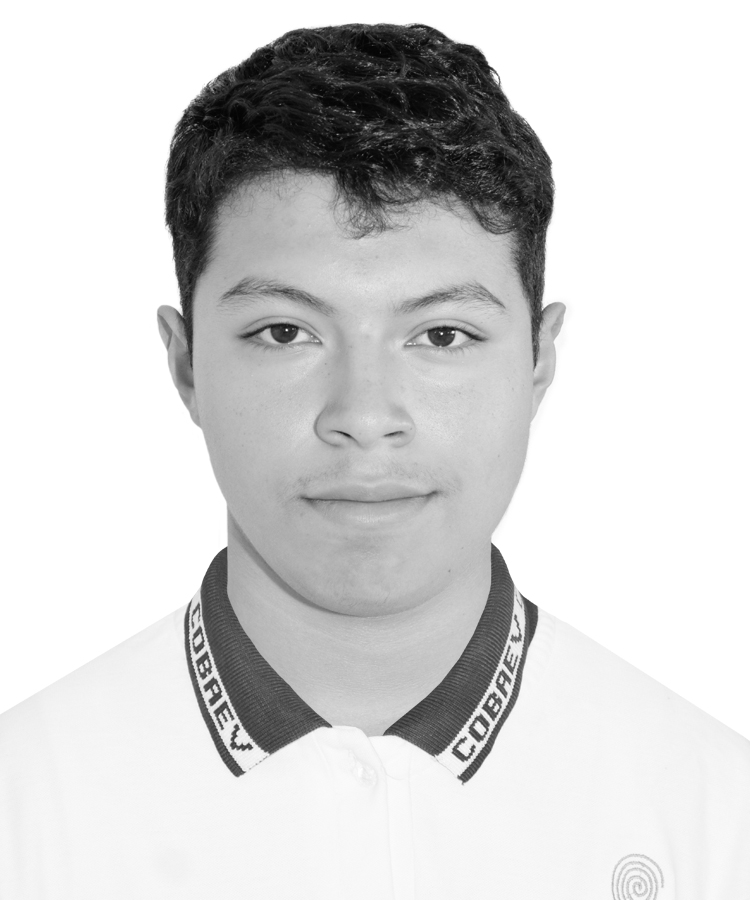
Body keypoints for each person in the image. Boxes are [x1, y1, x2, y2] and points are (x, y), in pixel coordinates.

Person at [1, 22, 748, 900]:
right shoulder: (27, 811)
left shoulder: (716, 817)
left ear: (539, 362)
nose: (363, 417)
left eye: (442, 335)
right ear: (186, 363)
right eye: (285, 332)